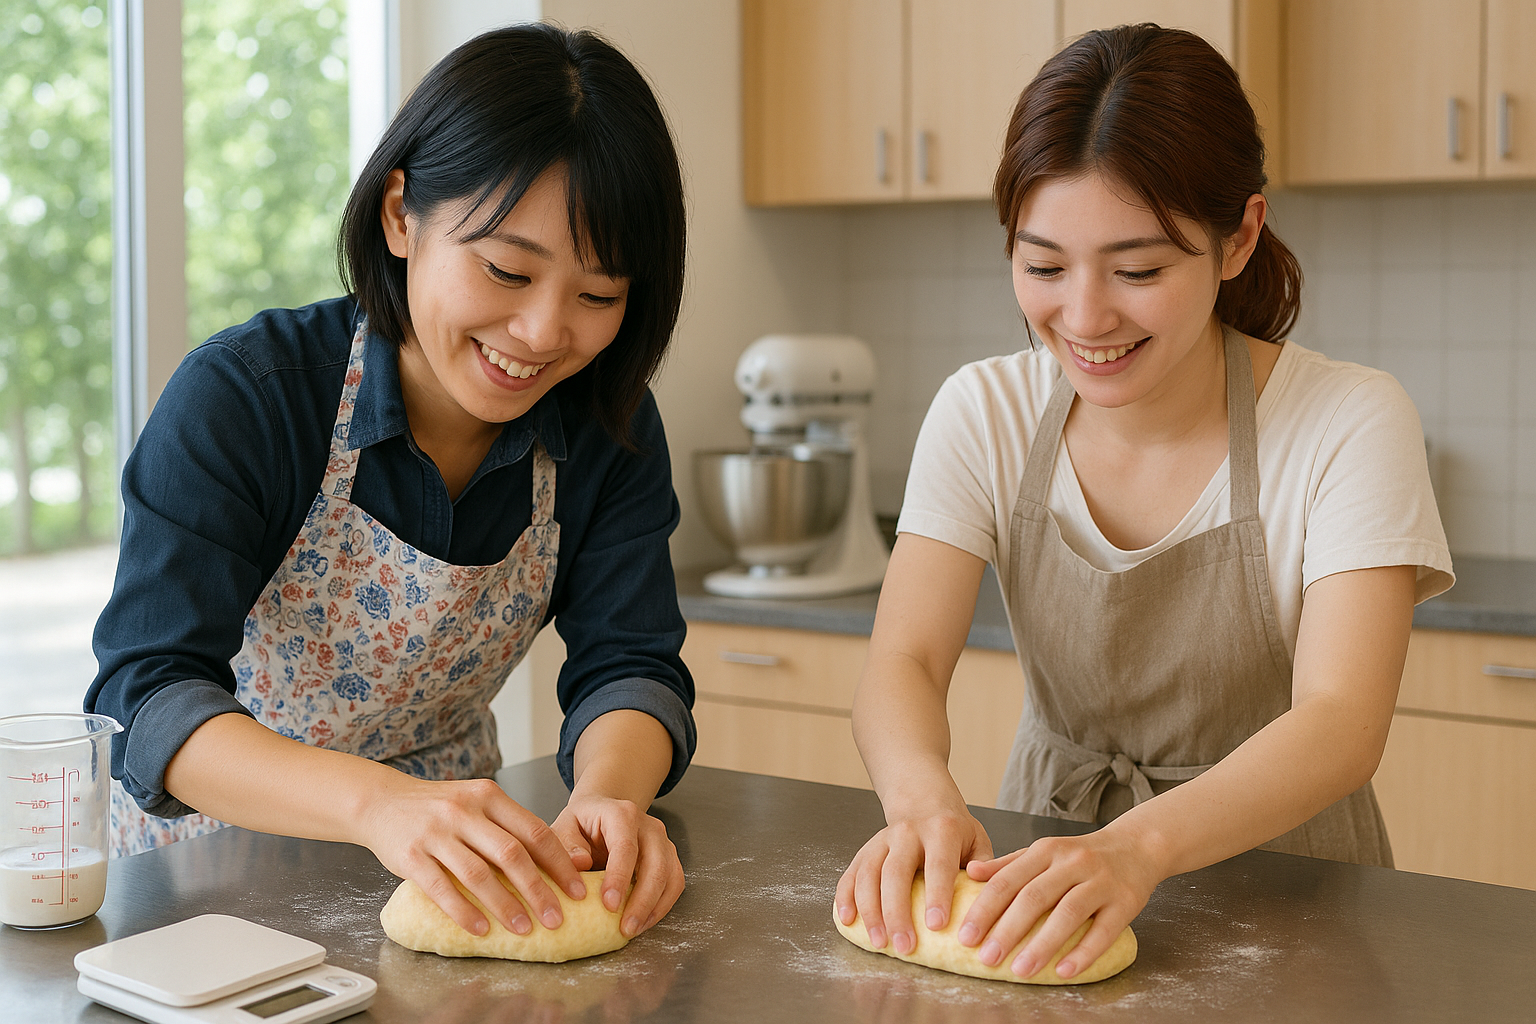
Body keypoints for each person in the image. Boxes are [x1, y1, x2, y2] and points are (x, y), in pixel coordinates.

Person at [836, 24, 1453, 981]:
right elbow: (905, 656)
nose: (1084, 319)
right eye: (1043, 267)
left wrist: (1138, 849)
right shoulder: (985, 410)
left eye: (1138, 271)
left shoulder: (1347, 420)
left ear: (1238, 236)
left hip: (1295, 896)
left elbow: (1341, 720)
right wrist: (921, 804)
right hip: (1040, 871)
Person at [87, 23, 693, 942]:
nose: (541, 332)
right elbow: (149, 696)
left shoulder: (605, 426)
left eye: (597, 296)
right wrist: (378, 808)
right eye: (506, 270)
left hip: (461, 875)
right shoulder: (246, 399)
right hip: (203, 881)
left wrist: (613, 794)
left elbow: (631, 665)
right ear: (401, 214)